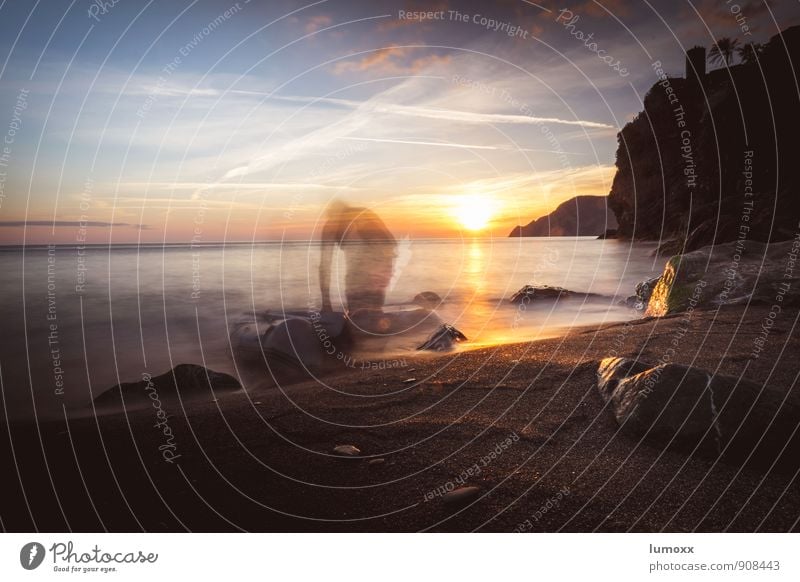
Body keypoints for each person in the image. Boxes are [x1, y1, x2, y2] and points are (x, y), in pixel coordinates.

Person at [319, 200, 397, 315]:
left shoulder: (361, 217)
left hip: (374, 269)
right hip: (377, 268)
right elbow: (325, 266)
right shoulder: (361, 215)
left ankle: (365, 318)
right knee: (369, 313)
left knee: (364, 312)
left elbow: (325, 266)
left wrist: (326, 304)